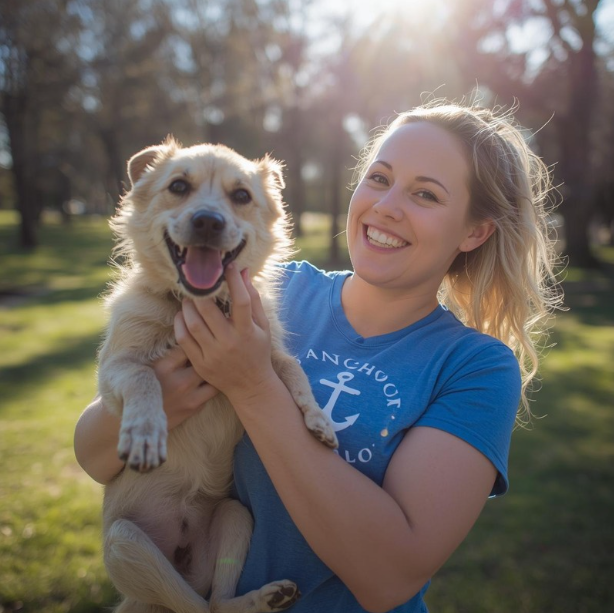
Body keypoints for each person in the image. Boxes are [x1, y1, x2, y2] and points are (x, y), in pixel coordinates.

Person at [74, 101, 562, 613]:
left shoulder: (475, 368)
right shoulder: (261, 291)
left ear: (474, 231)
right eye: (379, 178)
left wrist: (252, 385)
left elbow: (389, 579)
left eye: (425, 194)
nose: (387, 206)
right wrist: (158, 400)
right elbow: (92, 454)